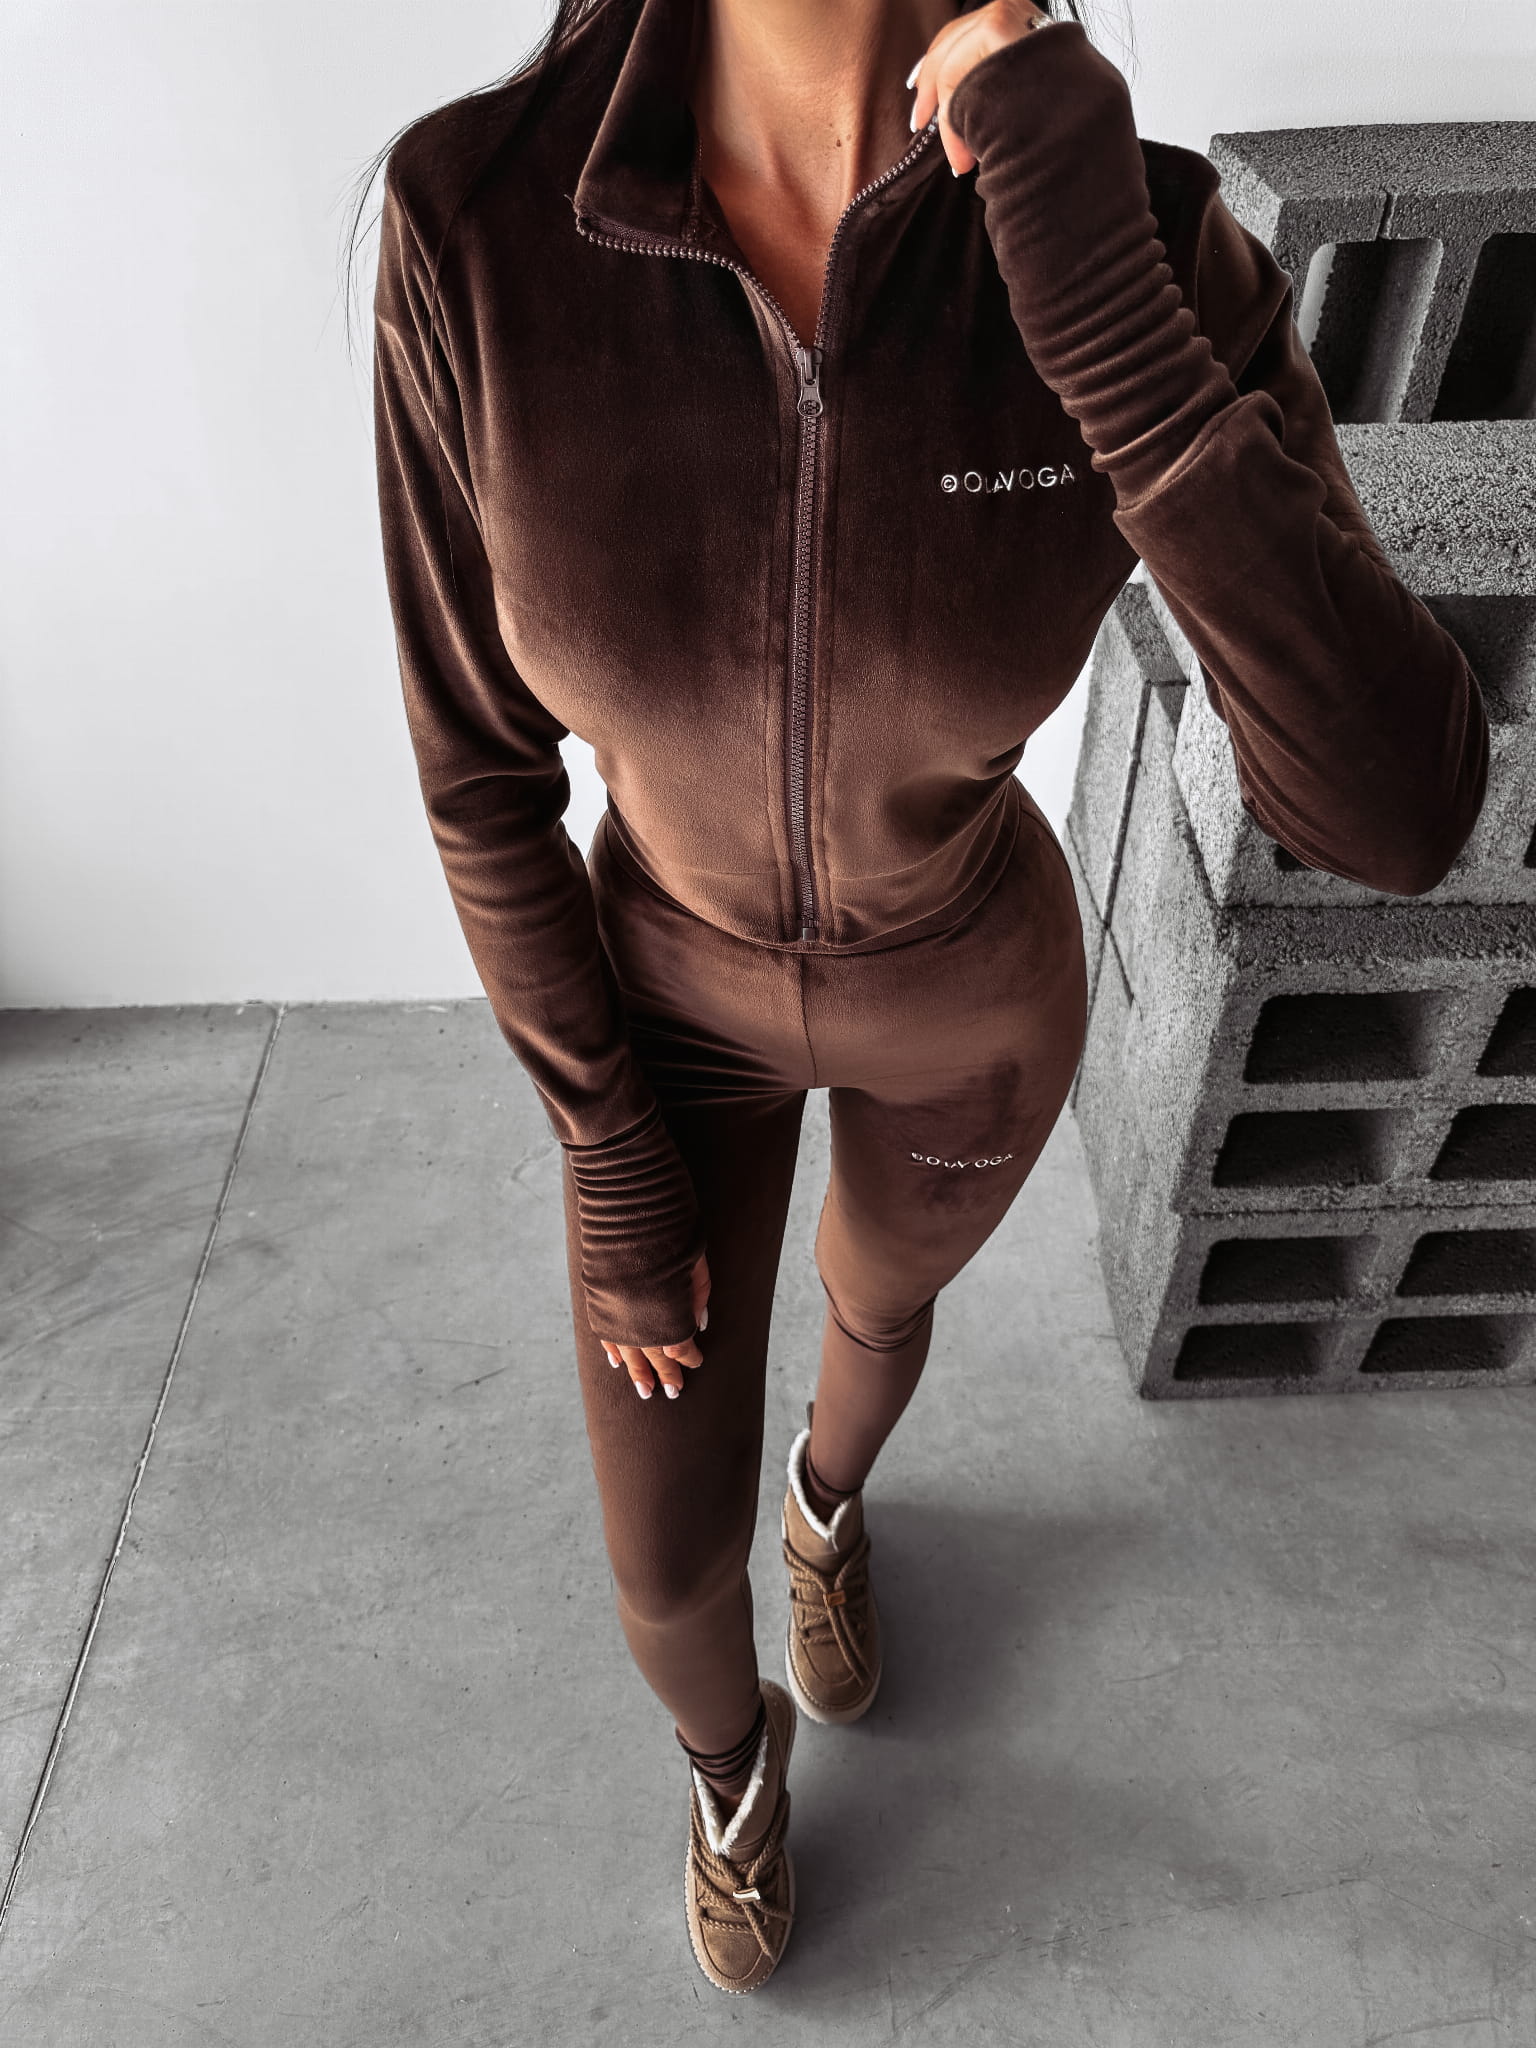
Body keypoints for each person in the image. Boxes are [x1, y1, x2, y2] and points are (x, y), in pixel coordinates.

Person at [365, 0, 1488, 1995]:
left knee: (876, 1314)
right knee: (659, 1565)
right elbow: (477, 769)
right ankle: (733, 1773)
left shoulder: (1128, 232)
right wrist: (604, 1144)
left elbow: (1399, 811)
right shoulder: (479, 223)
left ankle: (832, 1514)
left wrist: (1105, 307)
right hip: (665, 1009)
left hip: (966, 998)